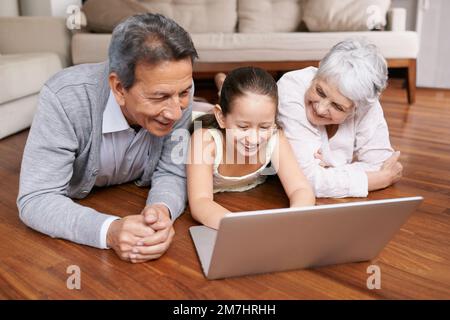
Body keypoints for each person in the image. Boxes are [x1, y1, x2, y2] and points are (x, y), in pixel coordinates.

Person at [17, 13, 198, 263]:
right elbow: (37, 198)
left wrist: (161, 210)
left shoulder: (176, 88)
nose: (176, 112)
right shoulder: (65, 98)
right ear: (119, 88)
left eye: (185, 92)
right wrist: (109, 231)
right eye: (159, 97)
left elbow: (172, 171)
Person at [187, 67, 315, 230]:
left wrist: (293, 219)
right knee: (202, 108)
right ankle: (221, 84)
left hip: (230, 114)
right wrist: (243, 228)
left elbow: (301, 188)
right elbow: (200, 202)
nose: (253, 139)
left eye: (264, 127)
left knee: (239, 108)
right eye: (243, 127)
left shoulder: (275, 137)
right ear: (221, 118)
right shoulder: (204, 140)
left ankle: (222, 84)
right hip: (203, 117)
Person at [277, 39, 403, 198]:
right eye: (320, 91)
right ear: (319, 69)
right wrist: (379, 180)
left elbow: (381, 163)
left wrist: (332, 169)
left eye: (337, 106)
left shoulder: (365, 103)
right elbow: (303, 181)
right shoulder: (291, 87)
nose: (320, 108)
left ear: (357, 109)